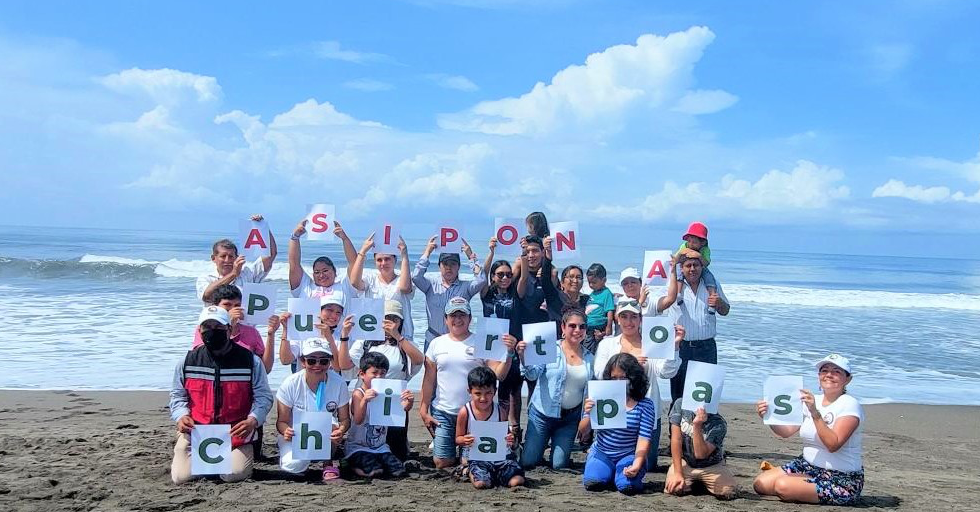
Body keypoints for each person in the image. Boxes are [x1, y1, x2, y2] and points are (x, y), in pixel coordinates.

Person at [169, 306, 274, 484]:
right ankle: (184, 443)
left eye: (218, 327)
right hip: (197, 432)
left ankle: (241, 453)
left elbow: (264, 396)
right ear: (199, 330)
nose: (212, 331)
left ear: (229, 330)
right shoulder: (186, 362)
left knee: (233, 475)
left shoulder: (250, 361)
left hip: (235, 433)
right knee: (182, 478)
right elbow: (177, 396)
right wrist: (181, 416)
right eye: (207, 327)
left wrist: (253, 420)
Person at [418, 296, 516, 470]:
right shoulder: (436, 344)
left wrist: (509, 354)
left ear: (470, 318)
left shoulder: (482, 341)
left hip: (476, 413)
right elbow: (428, 379)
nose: (458, 319)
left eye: (462, 315)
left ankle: (466, 458)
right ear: (446, 319)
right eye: (453, 315)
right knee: (442, 463)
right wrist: (423, 409)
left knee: (468, 462)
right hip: (444, 412)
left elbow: (498, 375)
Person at [753, 354, 864, 506]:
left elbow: (833, 444)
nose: (829, 375)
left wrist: (815, 413)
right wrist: (769, 416)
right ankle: (801, 481)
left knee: (782, 486)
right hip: (807, 466)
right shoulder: (813, 400)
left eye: (836, 371)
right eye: (824, 371)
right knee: (761, 484)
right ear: (819, 376)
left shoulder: (849, 404)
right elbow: (786, 432)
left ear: (848, 379)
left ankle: (798, 483)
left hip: (840, 477)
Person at [594, 298, 684, 470]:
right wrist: (628, 363)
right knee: (612, 457)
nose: (629, 322)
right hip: (613, 410)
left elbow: (666, 372)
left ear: (640, 319)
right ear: (617, 319)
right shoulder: (607, 344)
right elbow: (599, 373)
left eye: (634, 317)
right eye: (624, 316)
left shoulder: (652, 343)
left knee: (648, 466)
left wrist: (675, 346)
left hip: (646, 412)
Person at [340, 300, 424, 461]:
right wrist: (344, 337)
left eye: (395, 319)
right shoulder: (365, 342)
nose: (389, 322)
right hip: (367, 397)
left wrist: (397, 336)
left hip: (393, 403)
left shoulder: (404, 344)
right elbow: (345, 365)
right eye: (386, 318)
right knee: (366, 438)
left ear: (400, 322)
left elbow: (419, 360)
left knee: (396, 454)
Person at [519, 308, 593, 470]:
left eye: (582, 327)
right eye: (572, 326)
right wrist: (524, 357)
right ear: (563, 328)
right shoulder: (548, 348)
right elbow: (531, 375)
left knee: (558, 465)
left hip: (569, 418)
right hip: (542, 414)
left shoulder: (590, 358)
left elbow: (591, 393)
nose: (577, 330)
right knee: (529, 462)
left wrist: (586, 418)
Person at [275, 338, 351, 482]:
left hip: (326, 434)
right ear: (303, 362)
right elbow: (282, 421)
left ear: (329, 363)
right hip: (296, 436)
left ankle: (327, 461)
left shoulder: (339, 383)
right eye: (311, 361)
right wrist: (286, 431)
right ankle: (311, 457)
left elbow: (345, 419)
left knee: (333, 426)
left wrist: (341, 431)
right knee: (293, 466)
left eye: (323, 361)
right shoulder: (290, 384)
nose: (318, 365)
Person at [579, 353, 657, 495]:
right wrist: (588, 414)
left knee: (627, 487)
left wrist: (637, 464)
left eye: (623, 377)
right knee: (593, 483)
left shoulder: (645, 405)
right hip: (602, 452)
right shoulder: (598, 398)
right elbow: (583, 431)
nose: (619, 382)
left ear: (634, 377)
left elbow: (644, 438)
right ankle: (607, 471)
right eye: (614, 378)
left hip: (629, 454)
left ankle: (618, 475)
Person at [480, 237, 526, 441]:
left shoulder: (516, 293)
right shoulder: (487, 294)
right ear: (493, 277)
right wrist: (491, 252)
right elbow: (482, 275)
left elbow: (522, 276)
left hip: (511, 347)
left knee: (513, 389)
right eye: (500, 275)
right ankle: (492, 426)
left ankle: (514, 430)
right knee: (491, 388)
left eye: (508, 274)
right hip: (490, 347)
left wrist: (523, 255)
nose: (505, 278)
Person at [668, 251, 730, 403]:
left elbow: (725, 310)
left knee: (705, 399)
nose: (692, 269)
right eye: (688, 265)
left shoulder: (712, 284)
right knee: (678, 397)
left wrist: (719, 303)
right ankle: (677, 427)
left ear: (702, 266)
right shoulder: (674, 286)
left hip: (706, 348)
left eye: (696, 265)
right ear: (681, 268)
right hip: (680, 347)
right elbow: (655, 305)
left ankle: (701, 427)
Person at [455, 366, 526, 489]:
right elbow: (458, 438)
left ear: (495, 391)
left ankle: (495, 474)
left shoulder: (501, 411)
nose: (483, 398)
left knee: (517, 481)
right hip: (476, 456)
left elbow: (507, 437)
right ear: (469, 391)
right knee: (481, 484)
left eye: (488, 393)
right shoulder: (465, 412)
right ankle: (467, 470)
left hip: (499, 456)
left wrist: (510, 439)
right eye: (478, 393)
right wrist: (464, 440)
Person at [346, 352, 413, 478]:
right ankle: (349, 465)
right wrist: (365, 400)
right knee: (374, 472)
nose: (379, 377)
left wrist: (409, 402)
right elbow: (358, 420)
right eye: (374, 373)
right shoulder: (358, 394)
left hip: (381, 447)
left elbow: (400, 412)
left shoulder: (387, 393)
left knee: (398, 471)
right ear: (362, 374)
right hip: (358, 447)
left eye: (382, 373)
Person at [412, 235, 485, 351]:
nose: (449, 268)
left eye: (453, 264)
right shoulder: (430, 285)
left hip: (458, 342)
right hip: (433, 340)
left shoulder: (466, 287)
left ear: (459, 267)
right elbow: (416, 276)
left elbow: (482, 280)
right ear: (439, 266)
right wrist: (427, 252)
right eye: (445, 264)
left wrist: (470, 256)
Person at [192, 284, 278, 373]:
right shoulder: (205, 329)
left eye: (237, 305)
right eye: (227, 305)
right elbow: (203, 359)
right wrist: (229, 324)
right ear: (216, 306)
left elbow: (265, 369)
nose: (233, 309)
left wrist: (271, 334)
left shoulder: (251, 332)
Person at [664, 399, 738, 500]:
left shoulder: (719, 424)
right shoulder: (680, 404)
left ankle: (701, 483)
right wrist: (678, 473)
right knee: (674, 489)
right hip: (686, 462)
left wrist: (697, 425)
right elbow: (676, 439)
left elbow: (700, 454)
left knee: (728, 491)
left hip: (712, 465)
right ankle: (694, 483)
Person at [348, 233, 415, 341]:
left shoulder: (403, 278)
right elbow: (355, 282)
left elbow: (404, 288)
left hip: (401, 336)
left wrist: (404, 254)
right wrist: (363, 251)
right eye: (379, 260)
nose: (383, 263)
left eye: (387, 259)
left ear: (395, 260)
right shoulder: (370, 279)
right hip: (374, 335)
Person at [196, 214, 277, 302]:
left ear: (236, 257)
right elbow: (207, 296)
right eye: (223, 256)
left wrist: (263, 228)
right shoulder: (206, 278)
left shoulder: (248, 274)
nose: (227, 260)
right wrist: (234, 274)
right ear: (213, 258)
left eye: (231, 256)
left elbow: (270, 254)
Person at [287, 218, 358, 307]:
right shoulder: (305, 287)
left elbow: (355, 264)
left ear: (334, 272)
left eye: (325, 271)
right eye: (317, 272)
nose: (321, 275)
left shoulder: (345, 286)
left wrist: (344, 238)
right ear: (313, 275)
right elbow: (294, 264)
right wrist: (295, 237)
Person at [278, 292, 354, 375]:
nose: (334, 316)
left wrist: (329, 337)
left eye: (338, 313)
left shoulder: (342, 337)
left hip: (330, 383)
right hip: (304, 382)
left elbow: (337, 367)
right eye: (329, 310)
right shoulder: (302, 333)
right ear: (319, 311)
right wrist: (286, 329)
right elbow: (285, 360)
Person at [674, 222, 718, 314]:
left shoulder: (705, 250)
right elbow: (675, 260)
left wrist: (699, 256)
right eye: (689, 241)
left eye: (694, 242)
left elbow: (706, 263)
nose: (690, 244)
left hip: (702, 266)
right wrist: (681, 253)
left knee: (709, 278)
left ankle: (712, 299)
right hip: (682, 265)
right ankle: (678, 294)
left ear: (702, 243)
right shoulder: (684, 246)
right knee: (678, 272)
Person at [583, 263, 615, 354]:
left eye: (594, 282)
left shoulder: (606, 293)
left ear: (604, 280)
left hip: (598, 326)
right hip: (588, 327)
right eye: (589, 282)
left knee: (589, 351)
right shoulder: (592, 294)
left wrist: (609, 327)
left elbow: (609, 310)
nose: (591, 285)